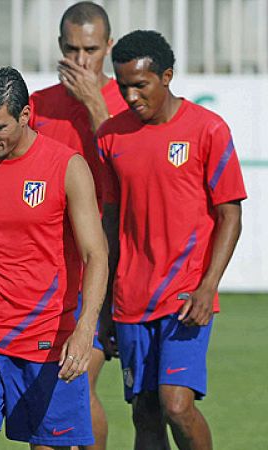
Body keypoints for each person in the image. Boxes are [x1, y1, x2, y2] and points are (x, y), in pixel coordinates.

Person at [0, 67, 108, 450]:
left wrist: (85, 331)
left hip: (46, 339)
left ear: (26, 114)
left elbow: (95, 254)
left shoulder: (67, 167)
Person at [99, 30, 246, 450]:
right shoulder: (110, 137)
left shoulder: (208, 129)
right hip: (130, 298)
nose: (130, 96)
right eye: (123, 85)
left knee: (176, 405)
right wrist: (106, 303)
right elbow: (111, 222)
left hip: (185, 297)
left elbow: (230, 214)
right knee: (145, 413)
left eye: (140, 85)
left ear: (166, 76)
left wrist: (208, 286)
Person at [28, 3, 128, 448]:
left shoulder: (131, 101)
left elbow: (132, 179)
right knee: (46, 391)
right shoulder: (38, 106)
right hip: (45, 270)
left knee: (78, 382)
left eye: (91, 49)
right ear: (59, 47)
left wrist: (94, 106)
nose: (81, 61)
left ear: (108, 47)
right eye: (72, 49)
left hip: (106, 263)